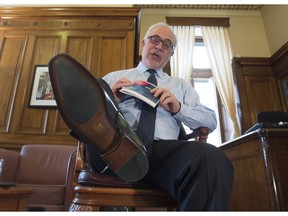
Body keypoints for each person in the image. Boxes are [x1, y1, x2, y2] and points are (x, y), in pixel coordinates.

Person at [85, 22, 234, 211]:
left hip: (162, 155)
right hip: (119, 148)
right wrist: (111, 100)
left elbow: (211, 121)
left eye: (167, 44)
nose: (159, 46)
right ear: (144, 44)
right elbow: (87, 117)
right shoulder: (114, 78)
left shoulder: (181, 87)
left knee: (212, 158)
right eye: (154, 40)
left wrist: (178, 108)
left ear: (171, 55)